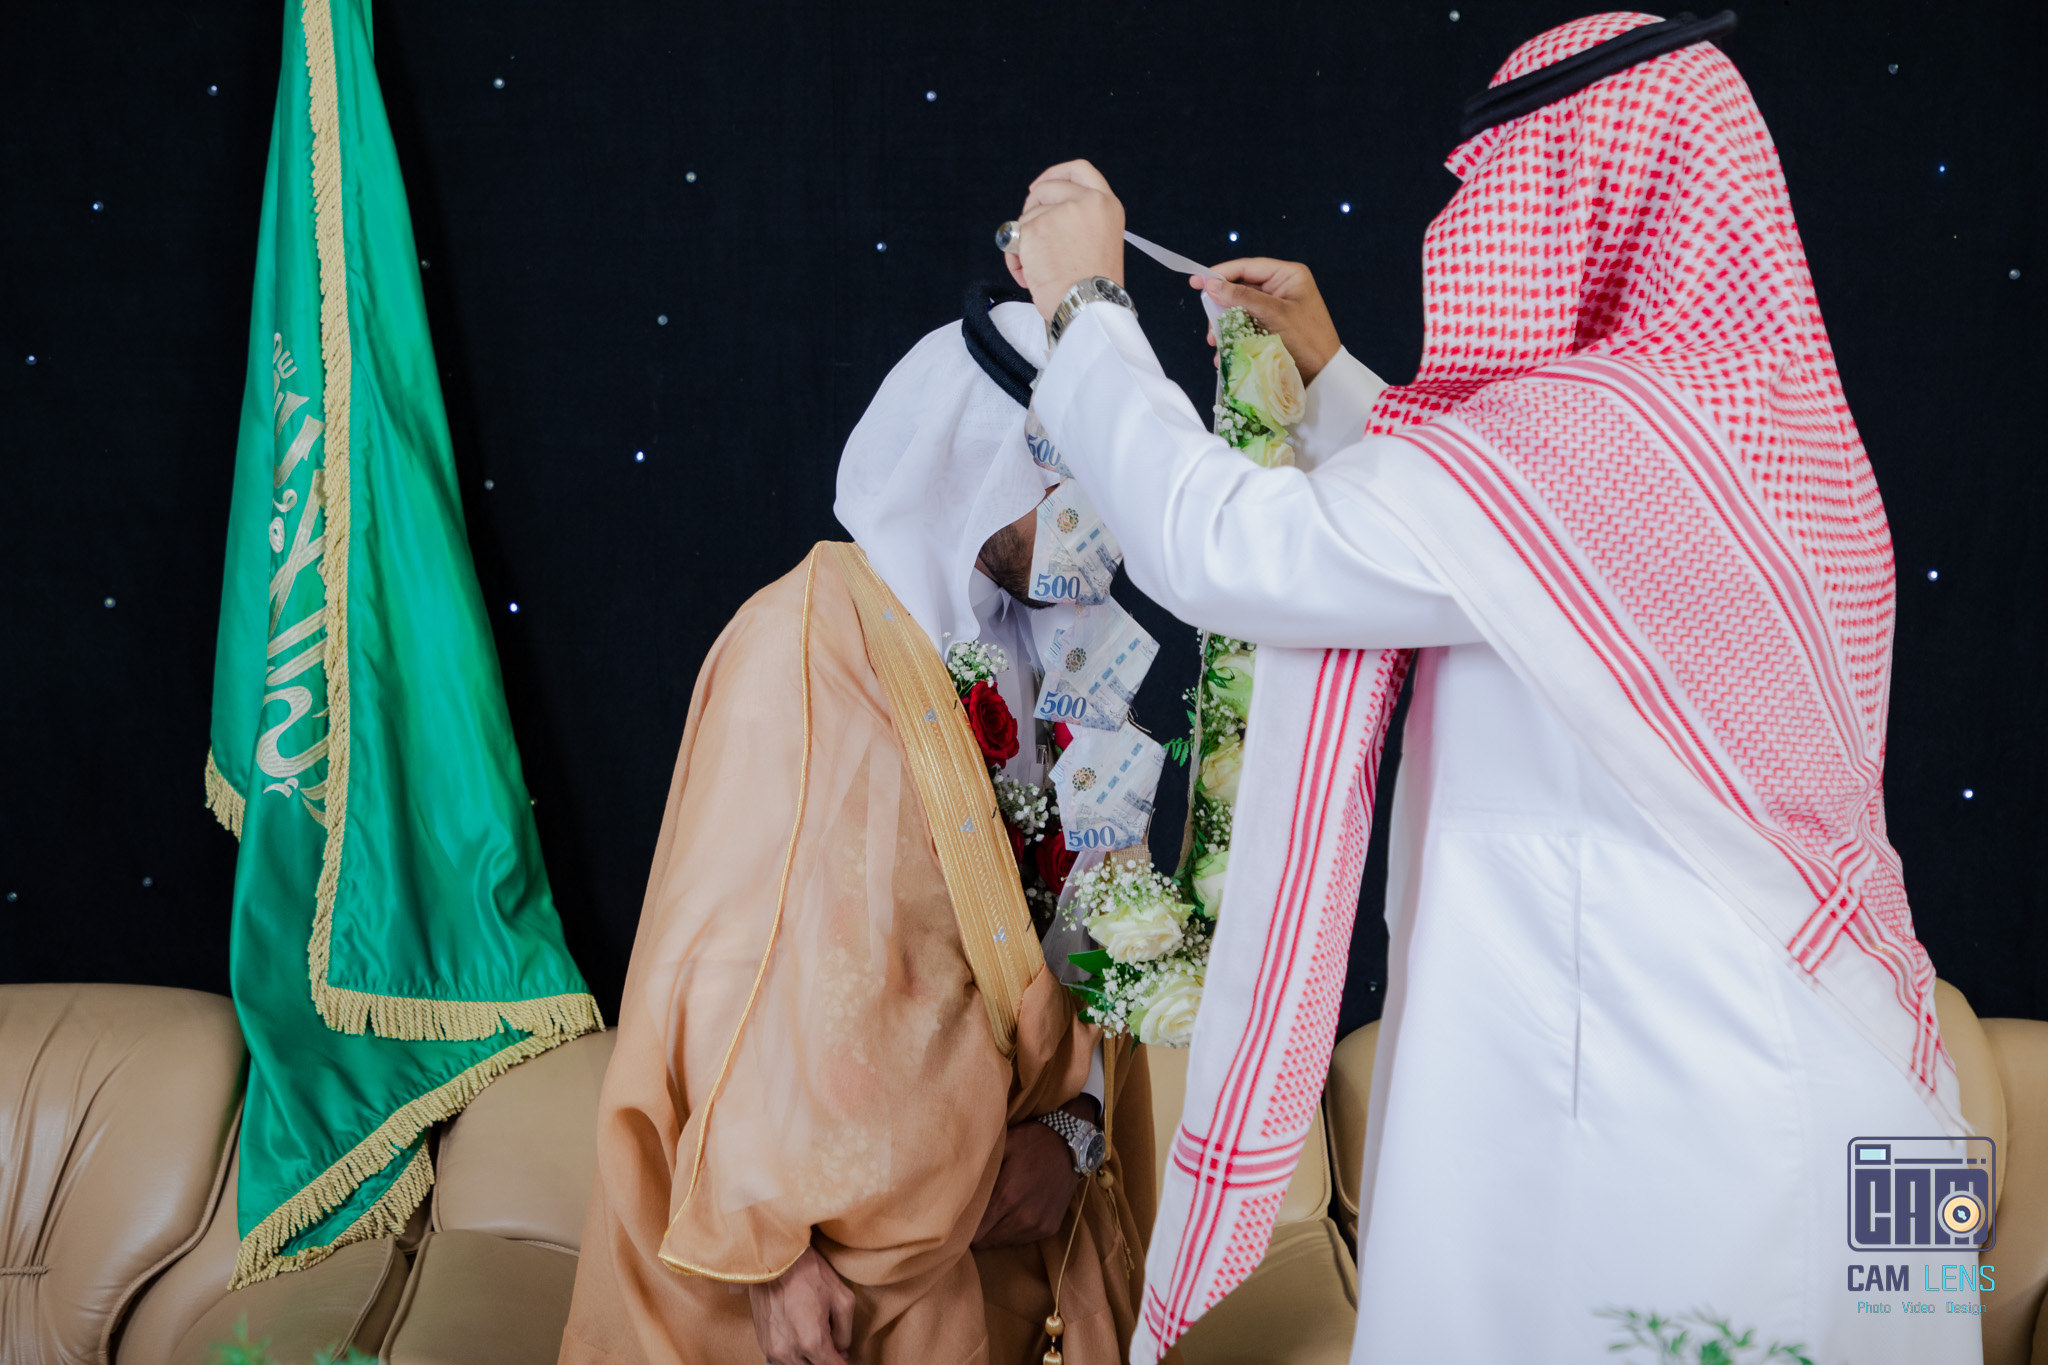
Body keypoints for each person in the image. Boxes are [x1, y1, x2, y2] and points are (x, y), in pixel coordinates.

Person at [1005, 12, 1978, 1365]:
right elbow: (1494, 557)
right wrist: (1330, 374)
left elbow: (1228, 551)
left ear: (1596, 193)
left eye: (1507, 183)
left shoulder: (1599, 445)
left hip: (1683, 1132)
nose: (1468, 224)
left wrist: (1086, 318)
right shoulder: (1758, 431)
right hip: (1848, 1074)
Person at [558, 292, 1158, 1365]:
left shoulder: (1072, 670)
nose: (1098, 519)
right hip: (829, 1288)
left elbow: (1107, 954)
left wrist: (1072, 1137)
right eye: (1074, 483)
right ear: (981, 459)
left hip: (1023, 1238)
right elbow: (723, 976)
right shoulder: (796, 646)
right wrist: (769, 1258)